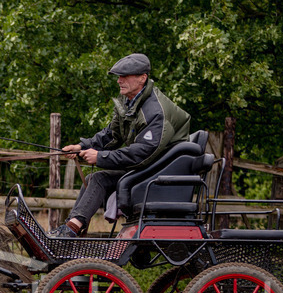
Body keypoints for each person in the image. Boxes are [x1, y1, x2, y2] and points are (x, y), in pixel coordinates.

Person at [51, 53, 191, 238]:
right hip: (151, 167)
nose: (119, 81)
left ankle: (70, 230)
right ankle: (72, 228)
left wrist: (100, 157)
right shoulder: (129, 102)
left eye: (124, 76)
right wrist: (81, 147)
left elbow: (142, 154)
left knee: (100, 178)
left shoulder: (156, 112)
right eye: (118, 76)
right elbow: (111, 135)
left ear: (142, 78)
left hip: (161, 173)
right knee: (95, 178)